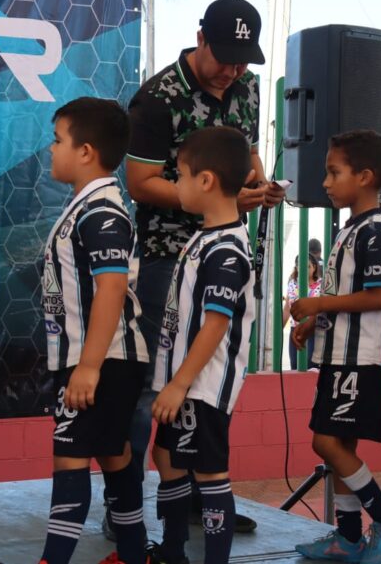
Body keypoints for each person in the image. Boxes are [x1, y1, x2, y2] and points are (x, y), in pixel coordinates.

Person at [121, 0, 284, 537]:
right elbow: (140, 183)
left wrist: (260, 184)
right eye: (225, 58)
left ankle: (200, 495)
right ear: (200, 39)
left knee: (210, 381)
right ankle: (126, 505)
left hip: (226, 251)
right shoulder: (157, 98)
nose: (233, 71)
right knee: (154, 385)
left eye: (243, 60)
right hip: (168, 259)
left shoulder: (247, 87)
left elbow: (248, 155)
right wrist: (220, 199)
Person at [289, 130, 381, 563]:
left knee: (326, 443)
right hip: (338, 357)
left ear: (365, 177)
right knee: (341, 448)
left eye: (333, 172)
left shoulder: (375, 233)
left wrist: (319, 304)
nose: (325, 182)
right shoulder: (349, 230)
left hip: (359, 361)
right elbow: (346, 294)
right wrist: (313, 323)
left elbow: (379, 296)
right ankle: (347, 536)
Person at [37, 98, 150, 564]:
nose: (51, 149)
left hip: (102, 359)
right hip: (102, 359)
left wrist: (88, 366)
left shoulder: (101, 211)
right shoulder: (87, 205)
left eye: (58, 140)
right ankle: (134, 553)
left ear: (85, 152)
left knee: (70, 455)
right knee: (113, 453)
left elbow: (111, 288)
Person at [149, 126, 256, 564]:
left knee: (209, 472)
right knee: (166, 455)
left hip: (202, 386)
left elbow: (215, 325)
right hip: (184, 381)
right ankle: (173, 550)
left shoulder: (227, 249)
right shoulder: (205, 237)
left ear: (206, 180)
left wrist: (180, 384)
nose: (175, 184)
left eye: (180, 175)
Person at [283, 253, 322, 369]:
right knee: (295, 365)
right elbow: (287, 309)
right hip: (295, 329)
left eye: (308, 266)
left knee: (311, 364)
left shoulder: (321, 284)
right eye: (300, 266)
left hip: (313, 329)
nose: (304, 269)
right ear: (296, 268)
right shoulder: (292, 284)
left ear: (314, 267)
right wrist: (280, 329)